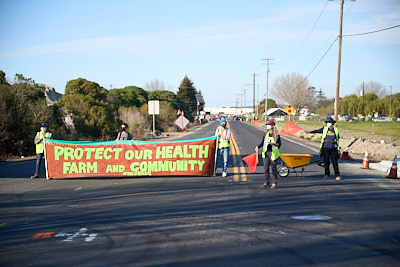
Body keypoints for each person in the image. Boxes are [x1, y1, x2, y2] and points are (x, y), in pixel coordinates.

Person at [256, 120, 281, 189]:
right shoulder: (266, 134)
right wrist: (258, 146)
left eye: (269, 125)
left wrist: (274, 144)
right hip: (266, 153)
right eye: (267, 125)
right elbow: (262, 143)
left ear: (273, 126)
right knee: (266, 169)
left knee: (273, 168)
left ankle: (274, 182)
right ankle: (266, 182)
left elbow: (279, 144)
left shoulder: (277, 135)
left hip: (272, 153)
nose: (268, 126)